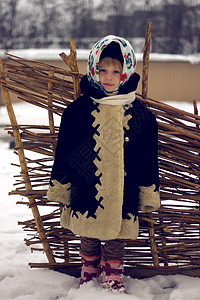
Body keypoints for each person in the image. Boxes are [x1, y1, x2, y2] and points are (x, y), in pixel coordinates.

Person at [47, 35, 160, 293]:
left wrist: (147, 191)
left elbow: (147, 157)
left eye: (115, 71)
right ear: (93, 70)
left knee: (118, 235)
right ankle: (88, 267)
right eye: (103, 70)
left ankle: (113, 271)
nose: (109, 77)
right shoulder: (77, 111)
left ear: (125, 72)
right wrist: (62, 186)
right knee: (87, 230)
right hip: (87, 185)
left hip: (124, 188)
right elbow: (64, 151)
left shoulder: (139, 114)